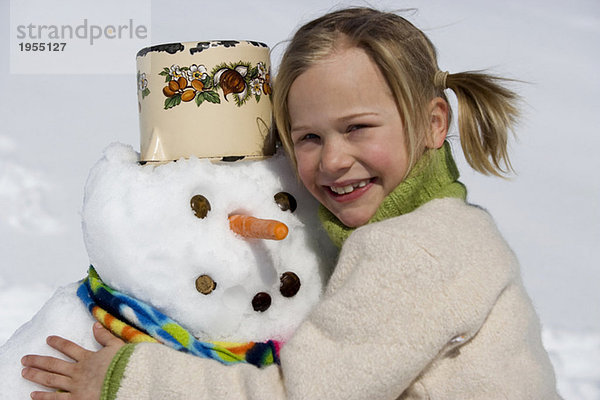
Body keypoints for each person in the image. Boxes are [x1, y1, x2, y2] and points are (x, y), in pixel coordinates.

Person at [21, 7, 560, 399]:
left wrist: (129, 380)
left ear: (433, 123)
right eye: (309, 138)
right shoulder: (423, 231)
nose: (332, 161)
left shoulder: (417, 251)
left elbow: (298, 396)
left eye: (357, 128)